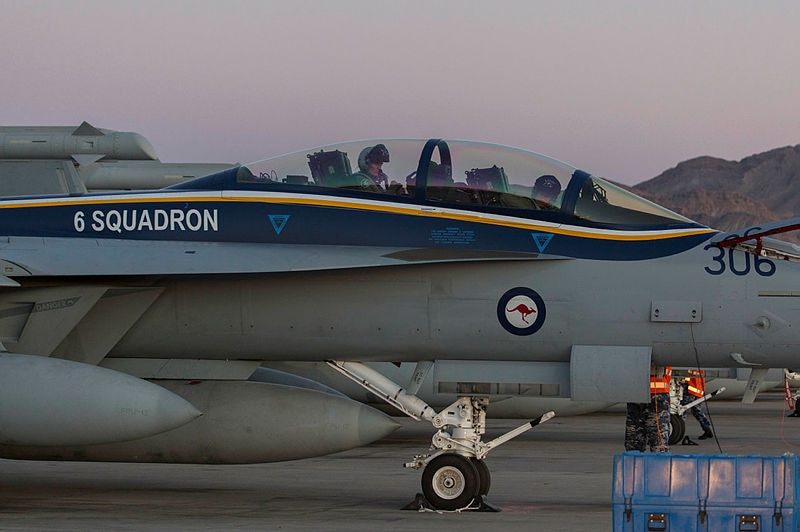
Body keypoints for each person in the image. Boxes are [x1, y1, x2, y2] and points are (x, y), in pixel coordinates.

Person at [625, 365, 671, 453]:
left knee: (659, 447)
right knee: (633, 446)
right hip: (636, 397)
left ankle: (658, 466)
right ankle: (634, 465)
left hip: (657, 396)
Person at [681, 370, 713, 442]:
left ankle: (679, 430)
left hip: (690, 390)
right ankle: (707, 429)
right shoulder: (698, 366)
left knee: (683, 411)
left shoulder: (688, 366)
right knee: (697, 411)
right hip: (698, 391)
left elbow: (684, 378)